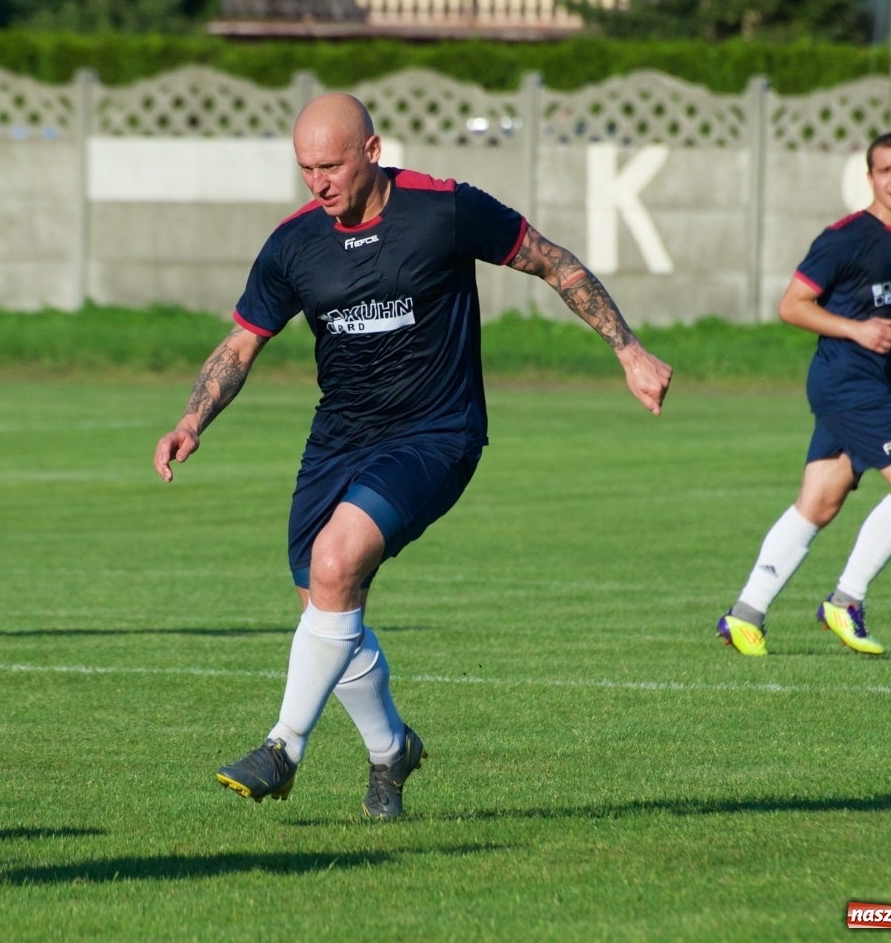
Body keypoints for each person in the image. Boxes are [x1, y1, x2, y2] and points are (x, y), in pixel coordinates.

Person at [152, 93, 672, 818]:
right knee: (324, 609)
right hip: (337, 439)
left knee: (334, 566)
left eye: (330, 165)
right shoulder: (294, 242)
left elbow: (554, 262)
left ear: (372, 150)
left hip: (436, 432)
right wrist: (192, 417)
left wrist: (630, 350)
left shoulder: (444, 209)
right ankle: (391, 750)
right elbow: (243, 341)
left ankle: (283, 746)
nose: (317, 183)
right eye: (305, 168)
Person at [718, 132, 891, 658]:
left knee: (818, 502)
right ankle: (846, 600)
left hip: (870, 385)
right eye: (884, 170)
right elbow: (792, 305)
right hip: (846, 381)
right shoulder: (844, 238)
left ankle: (744, 614)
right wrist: (856, 330)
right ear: (869, 177)